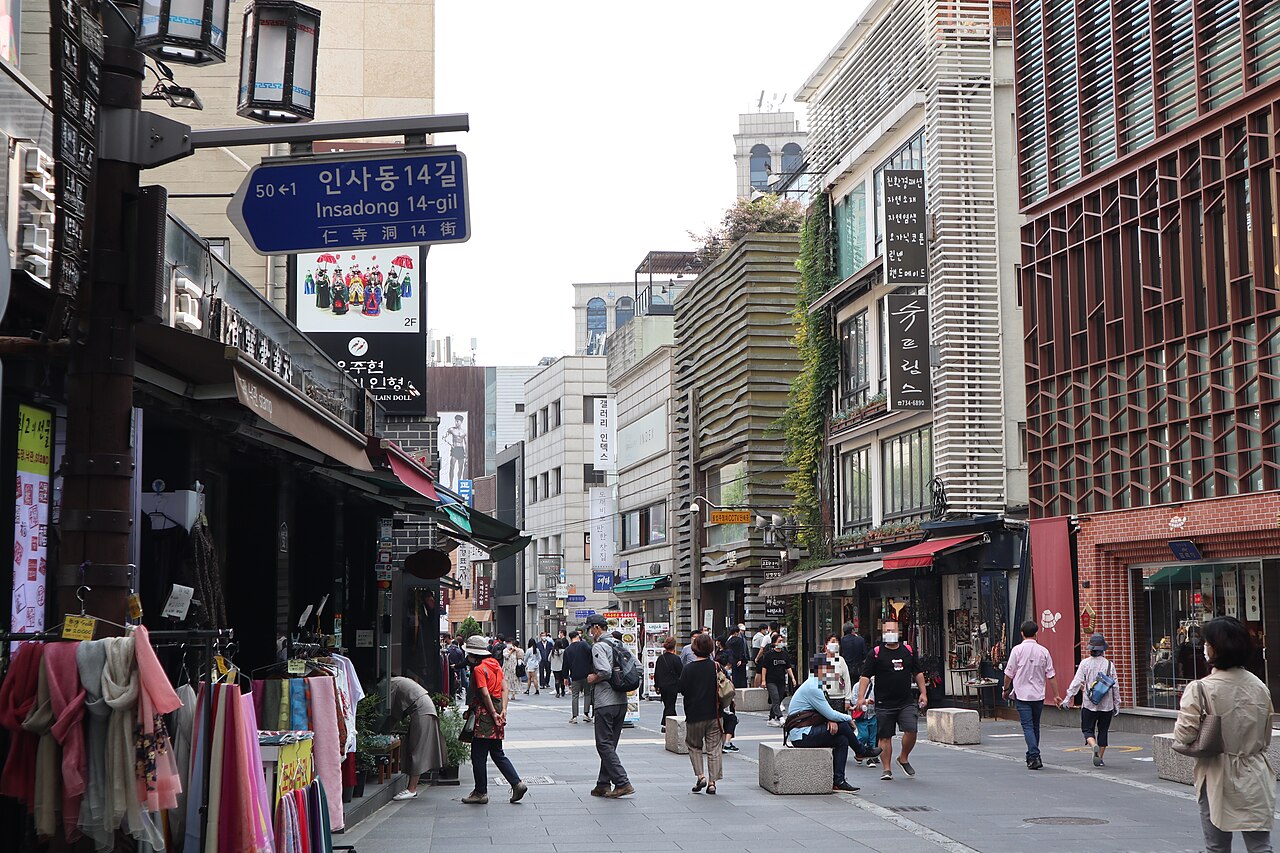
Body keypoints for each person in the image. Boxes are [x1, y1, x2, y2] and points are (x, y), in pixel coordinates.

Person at [1175, 616, 1275, 853]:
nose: (1204, 648)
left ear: (1215, 648)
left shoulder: (1201, 688)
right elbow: (1266, 735)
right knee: (1260, 846)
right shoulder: (1259, 686)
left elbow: (1184, 735)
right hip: (1256, 771)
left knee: (1217, 846)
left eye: (1206, 643)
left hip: (1217, 773)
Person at [787, 654, 882, 793]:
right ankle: (861, 751)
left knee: (842, 740)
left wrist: (832, 719)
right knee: (843, 725)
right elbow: (830, 713)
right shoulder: (813, 688)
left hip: (806, 729)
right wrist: (848, 719)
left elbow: (825, 712)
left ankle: (839, 780)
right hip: (801, 734)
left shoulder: (815, 685)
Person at [459, 636, 527, 805]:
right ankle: (517, 783)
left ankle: (480, 792)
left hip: (485, 713)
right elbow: (504, 688)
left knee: (478, 754)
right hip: (497, 708)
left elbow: (483, 693)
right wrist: (503, 710)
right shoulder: (495, 664)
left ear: (473, 654)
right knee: (497, 752)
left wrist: (492, 713)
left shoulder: (479, 669)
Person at [858, 620, 927, 781]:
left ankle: (903, 757)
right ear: (883, 633)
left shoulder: (908, 651)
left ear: (899, 632)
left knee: (911, 729)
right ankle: (887, 769)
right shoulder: (875, 653)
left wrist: (923, 692)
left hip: (905, 701)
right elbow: (865, 676)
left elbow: (918, 673)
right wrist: (861, 697)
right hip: (884, 702)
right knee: (885, 736)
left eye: (892, 630)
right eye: (887, 630)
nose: (890, 633)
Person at [584, 614, 634, 797]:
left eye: (590, 629)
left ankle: (622, 782)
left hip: (605, 701)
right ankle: (603, 784)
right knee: (610, 744)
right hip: (621, 701)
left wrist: (593, 678)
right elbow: (636, 666)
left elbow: (604, 670)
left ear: (597, 628)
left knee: (603, 744)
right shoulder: (620, 643)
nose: (590, 633)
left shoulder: (599, 646)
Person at [1002, 620, 1061, 771]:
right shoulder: (1043, 651)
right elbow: (1051, 675)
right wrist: (1056, 695)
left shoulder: (1017, 650)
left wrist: (1005, 689)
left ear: (1022, 633)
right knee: (1035, 726)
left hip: (1022, 694)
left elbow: (1009, 673)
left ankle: (1034, 755)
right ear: (1036, 633)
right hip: (1038, 694)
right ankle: (1031, 755)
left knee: (1027, 726)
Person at [1062, 632, 1119, 767]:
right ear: (1103, 649)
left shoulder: (1085, 664)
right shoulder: (1109, 665)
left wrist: (1067, 698)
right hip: (1107, 704)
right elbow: (1115, 686)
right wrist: (1117, 704)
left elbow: (1076, 682)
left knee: (1087, 729)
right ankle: (1100, 757)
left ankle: (1093, 745)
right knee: (1103, 730)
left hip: (1089, 703)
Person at [679, 633, 724, 794]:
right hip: (715, 714)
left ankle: (700, 776)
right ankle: (712, 783)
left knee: (694, 745)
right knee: (714, 748)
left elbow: (682, 689)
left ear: (694, 648)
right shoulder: (716, 666)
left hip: (694, 714)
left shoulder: (688, 668)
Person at [387, 676, 445, 801]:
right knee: (416, 747)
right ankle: (411, 787)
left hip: (422, 712)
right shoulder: (399, 680)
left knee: (417, 750)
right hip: (425, 710)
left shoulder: (391, 684)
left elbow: (389, 709)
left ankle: (412, 789)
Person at [760, 632, 796, 727]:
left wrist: (792, 678)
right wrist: (763, 680)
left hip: (781, 680)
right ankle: (780, 718)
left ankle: (771, 718)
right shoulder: (769, 654)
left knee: (779, 699)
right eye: (779, 641)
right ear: (774, 643)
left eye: (782, 641)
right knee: (775, 698)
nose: (781, 642)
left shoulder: (784, 654)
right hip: (771, 680)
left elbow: (788, 667)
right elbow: (764, 668)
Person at [654, 636, 684, 732]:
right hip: (672, 685)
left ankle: (671, 723)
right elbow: (681, 672)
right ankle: (666, 724)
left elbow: (656, 673)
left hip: (662, 685)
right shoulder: (676, 659)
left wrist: (656, 685)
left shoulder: (660, 658)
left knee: (668, 704)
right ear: (674, 646)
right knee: (670, 705)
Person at [564, 629, 594, 723]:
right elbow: (591, 657)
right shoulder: (584, 645)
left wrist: (565, 677)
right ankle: (586, 714)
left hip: (575, 676)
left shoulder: (567, 650)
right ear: (578, 636)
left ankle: (574, 717)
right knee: (587, 694)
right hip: (587, 674)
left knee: (575, 695)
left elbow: (565, 665)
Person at [821, 633, 854, 714]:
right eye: (832, 641)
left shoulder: (841, 660)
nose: (834, 644)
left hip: (839, 698)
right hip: (823, 698)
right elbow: (812, 682)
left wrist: (847, 699)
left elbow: (846, 680)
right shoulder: (819, 660)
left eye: (837, 642)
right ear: (826, 644)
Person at [716, 652, 740, 752]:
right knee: (732, 718)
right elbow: (728, 691)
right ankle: (726, 743)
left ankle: (726, 742)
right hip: (717, 708)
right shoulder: (722, 673)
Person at [726, 624, 749, 688]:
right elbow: (741, 651)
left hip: (733, 660)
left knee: (735, 676)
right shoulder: (740, 640)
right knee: (742, 677)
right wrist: (740, 659)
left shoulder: (728, 642)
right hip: (740, 660)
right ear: (736, 632)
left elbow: (729, 652)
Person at [550, 631, 567, 697]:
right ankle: (563, 691)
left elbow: (549, 659)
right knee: (562, 680)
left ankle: (557, 693)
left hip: (554, 667)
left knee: (557, 679)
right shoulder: (563, 651)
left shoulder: (552, 651)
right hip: (562, 667)